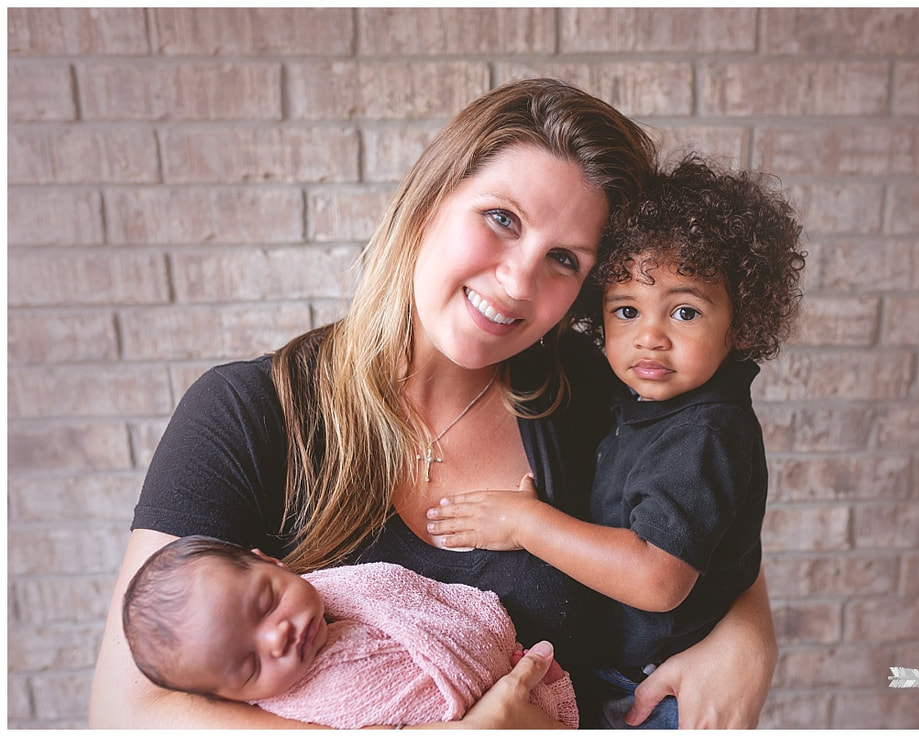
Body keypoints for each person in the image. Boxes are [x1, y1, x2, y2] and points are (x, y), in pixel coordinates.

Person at [90, 78, 779, 729]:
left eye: (565, 259)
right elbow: (126, 714)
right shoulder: (246, 414)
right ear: (429, 200)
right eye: (501, 218)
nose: (516, 281)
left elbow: (704, 508)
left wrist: (750, 634)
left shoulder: (590, 393)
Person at [426, 156, 805, 728]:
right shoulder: (634, 398)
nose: (650, 337)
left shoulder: (706, 432)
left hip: (656, 692)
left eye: (684, 311)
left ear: (740, 323)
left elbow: (658, 576)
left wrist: (527, 524)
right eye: (626, 311)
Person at [121, 535, 579, 728]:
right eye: (249, 664)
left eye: (265, 602)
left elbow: (419, 595)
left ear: (269, 561)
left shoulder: (346, 588)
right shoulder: (305, 708)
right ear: (231, 701)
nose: (275, 638)